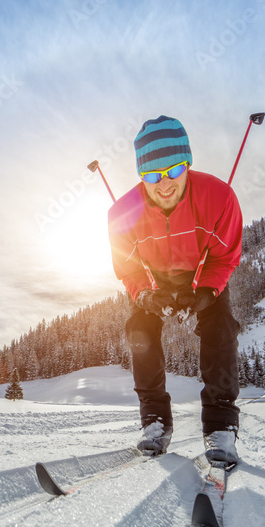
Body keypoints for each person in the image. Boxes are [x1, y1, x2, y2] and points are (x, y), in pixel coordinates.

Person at [108, 115, 243, 465]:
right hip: (155, 280)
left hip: (202, 272)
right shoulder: (123, 213)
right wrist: (144, 294)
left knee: (220, 327)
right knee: (140, 329)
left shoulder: (219, 198)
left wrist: (207, 291)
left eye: (173, 170)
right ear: (141, 176)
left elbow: (225, 257)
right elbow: (128, 267)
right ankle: (154, 421)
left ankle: (220, 425)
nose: (163, 184)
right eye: (151, 175)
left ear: (188, 164)